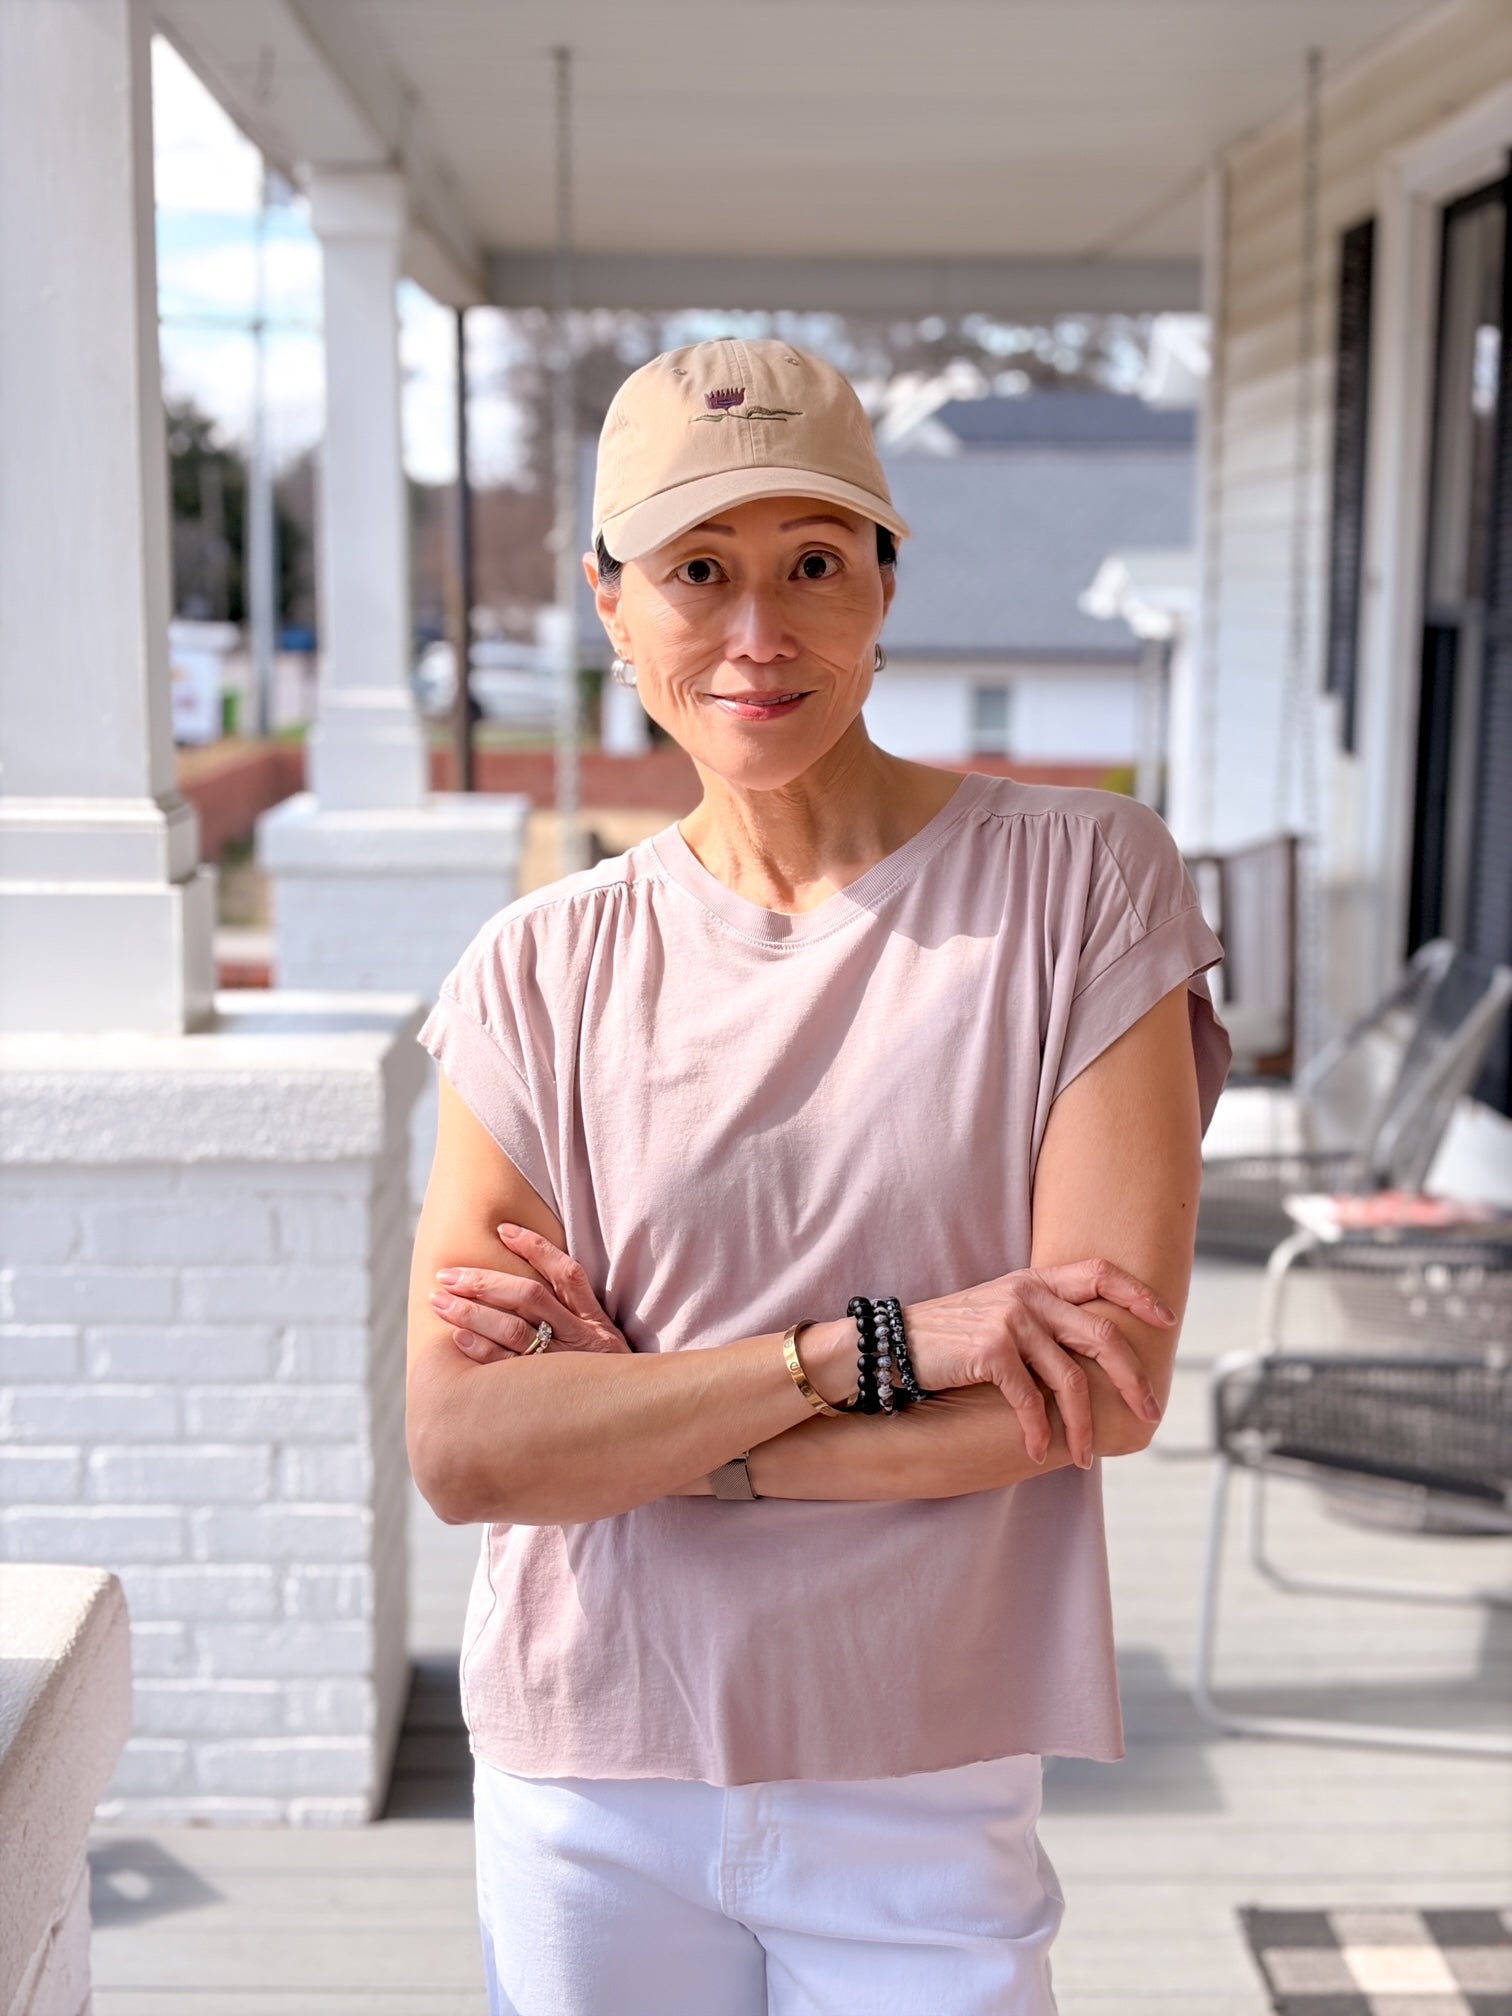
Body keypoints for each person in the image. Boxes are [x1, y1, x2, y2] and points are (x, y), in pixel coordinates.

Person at [406, 336, 1232, 2016]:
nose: (758, 633)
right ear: (612, 604)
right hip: (590, 1769)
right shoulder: (538, 970)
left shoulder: (1081, 888)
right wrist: (880, 1351)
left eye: (812, 566)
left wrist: (660, 1444)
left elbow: (1098, 1391)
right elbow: (472, 1444)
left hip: (922, 1766)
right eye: (698, 570)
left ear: (884, 583)